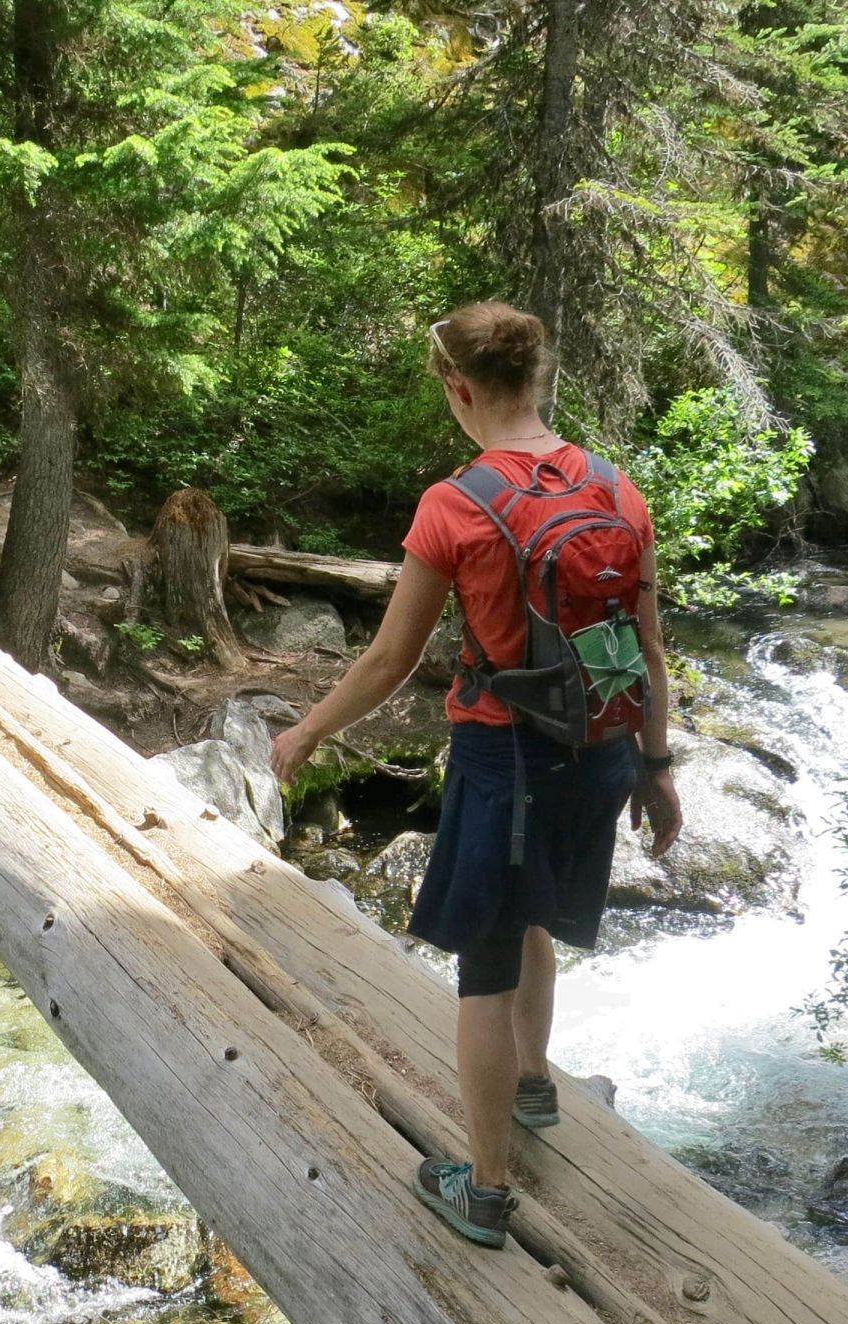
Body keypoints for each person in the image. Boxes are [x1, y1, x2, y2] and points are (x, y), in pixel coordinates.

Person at [270, 300, 682, 1248]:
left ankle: (485, 1188)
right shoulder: (616, 488)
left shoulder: (456, 505)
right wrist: (657, 770)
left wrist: (306, 733)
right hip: (601, 754)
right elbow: (650, 649)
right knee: (534, 914)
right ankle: (534, 1084)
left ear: (458, 389)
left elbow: (389, 662)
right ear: (537, 378)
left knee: (483, 971)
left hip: (509, 759)